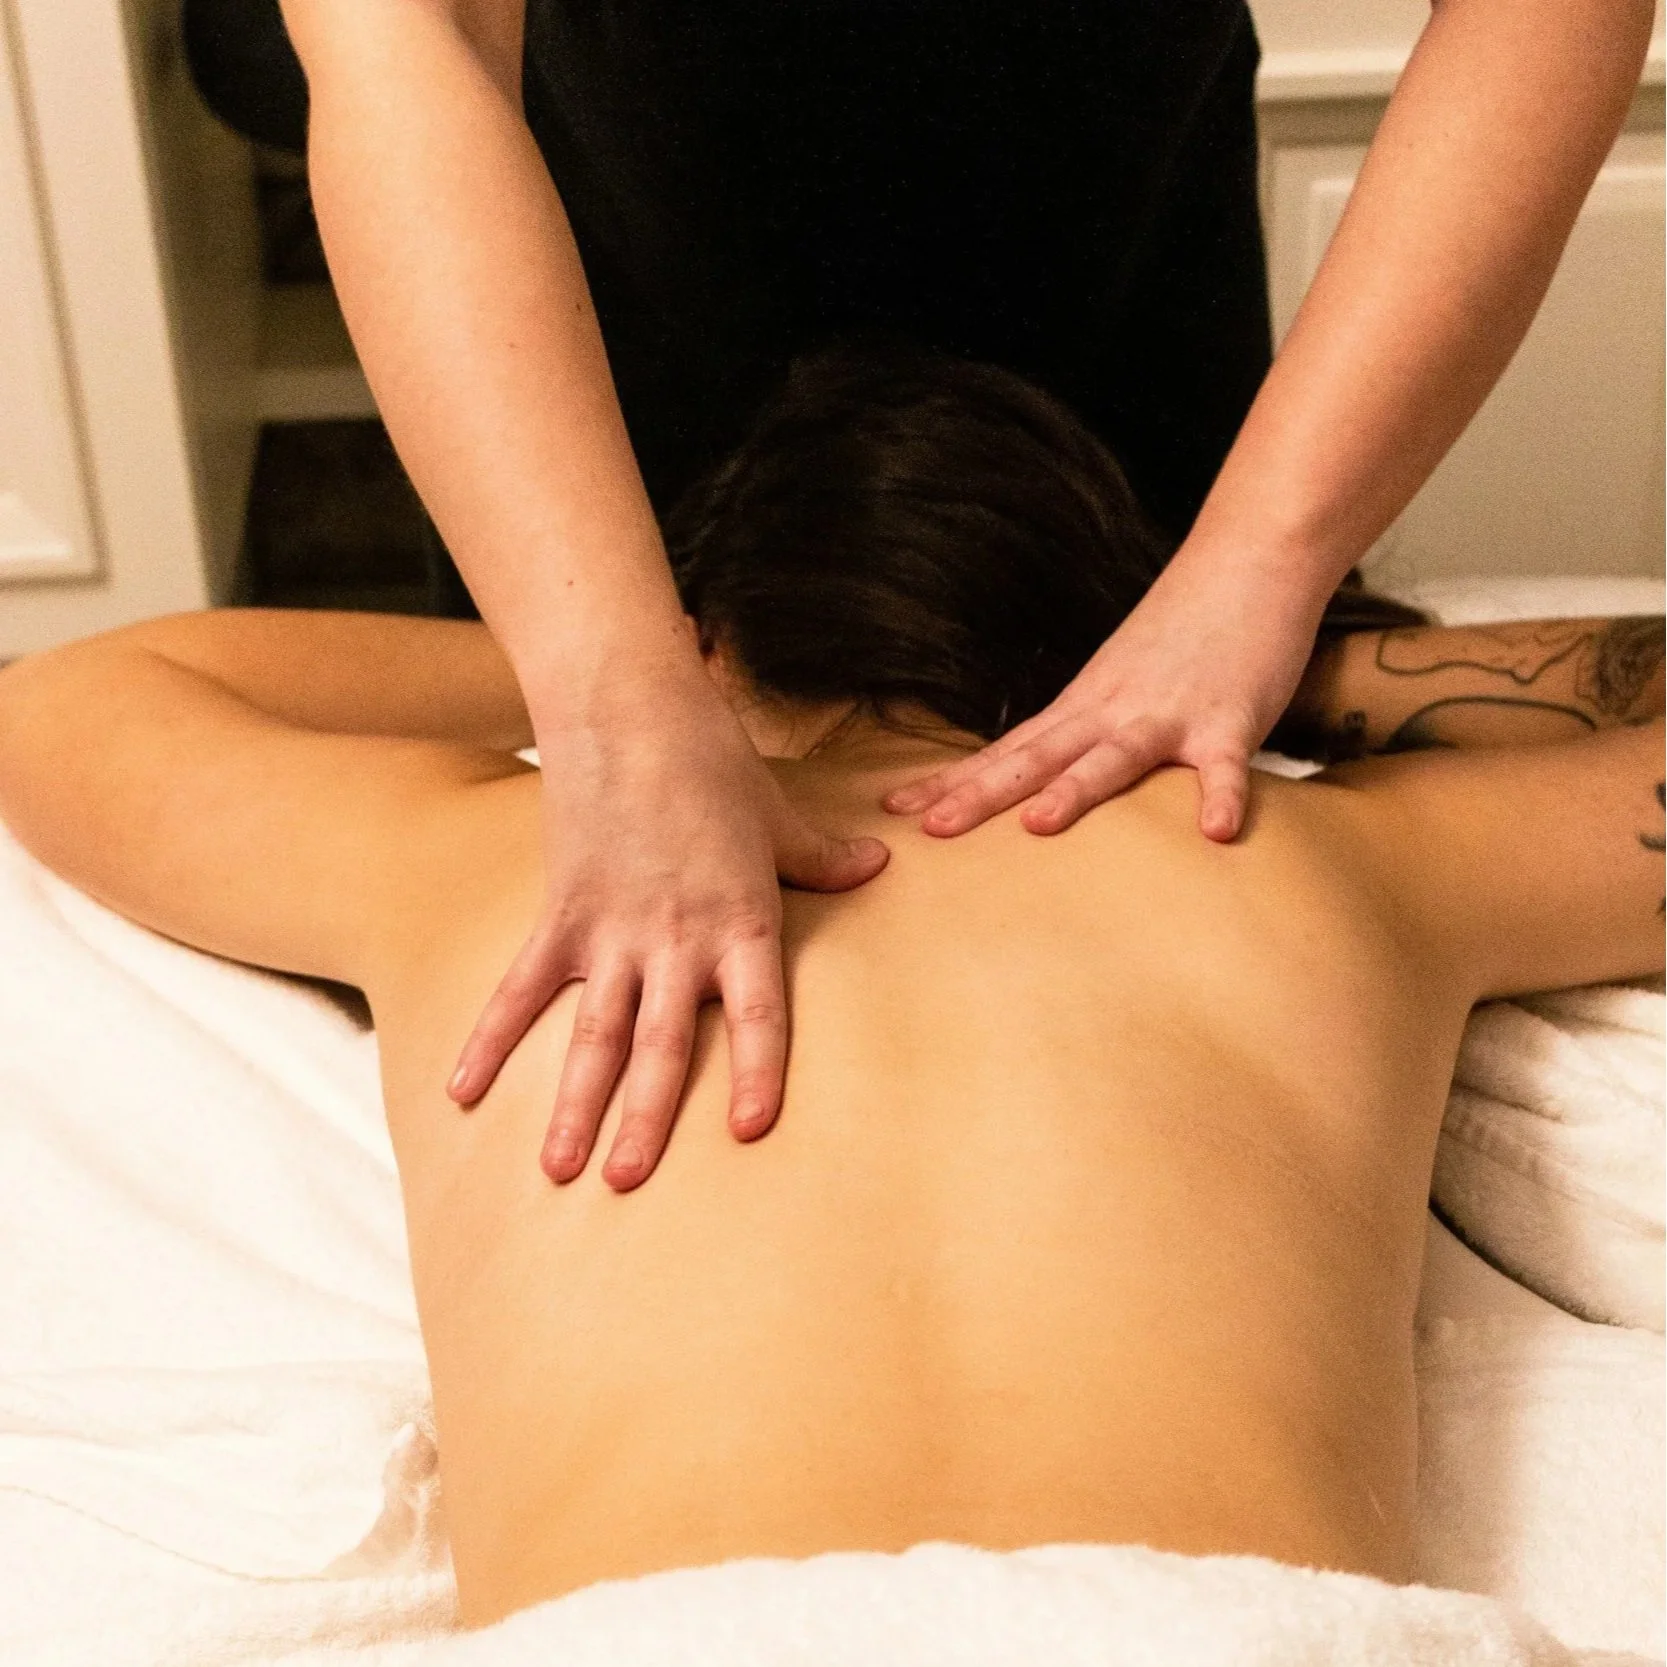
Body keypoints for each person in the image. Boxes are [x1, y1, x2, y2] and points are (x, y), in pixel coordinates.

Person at [0, 352, 1659, 1629]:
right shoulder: (1319, 864)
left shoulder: (489, 859)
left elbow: (73, 698)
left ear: (721, 639)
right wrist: (1299, 651)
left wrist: (633, 672)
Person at [273, 0, 1658, 1168]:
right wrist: (605, 695)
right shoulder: (1348, 880)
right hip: (595, 344)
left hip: (1118, 311)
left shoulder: (1330, 877)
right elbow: (405, 38)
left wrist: (1264, 574)